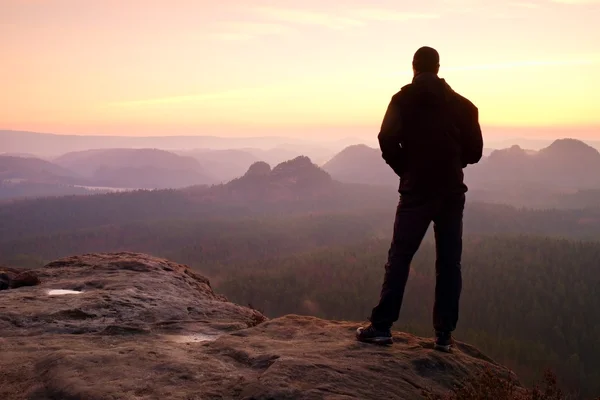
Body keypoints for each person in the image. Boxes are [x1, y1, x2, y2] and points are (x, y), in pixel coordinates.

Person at [356, 46, 483, 352]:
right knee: (449, 263)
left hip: (416, 193)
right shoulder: (464, 106)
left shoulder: (402, 100)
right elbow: (475, 153)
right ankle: (443, 337)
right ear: (438, 68)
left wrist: (406, 168)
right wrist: (453, 161)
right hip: (452, 193)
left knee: (400, 257)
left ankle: (382, 327)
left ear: (413, 68)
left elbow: (386, 138)